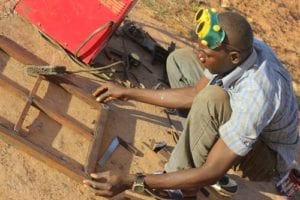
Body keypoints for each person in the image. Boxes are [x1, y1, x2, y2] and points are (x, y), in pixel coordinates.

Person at [83, 8, 299, 198]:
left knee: (212, 99)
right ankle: (193, 163)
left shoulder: (257, 94)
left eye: (206, 54)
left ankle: (176, 182)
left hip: (267, 159)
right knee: (180, 60)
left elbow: (212, 170)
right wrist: (126, 92)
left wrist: (132, 180)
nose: (200, 56)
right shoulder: (241, 50)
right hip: (239, 110)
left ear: (233, 57)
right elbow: (194, 93)